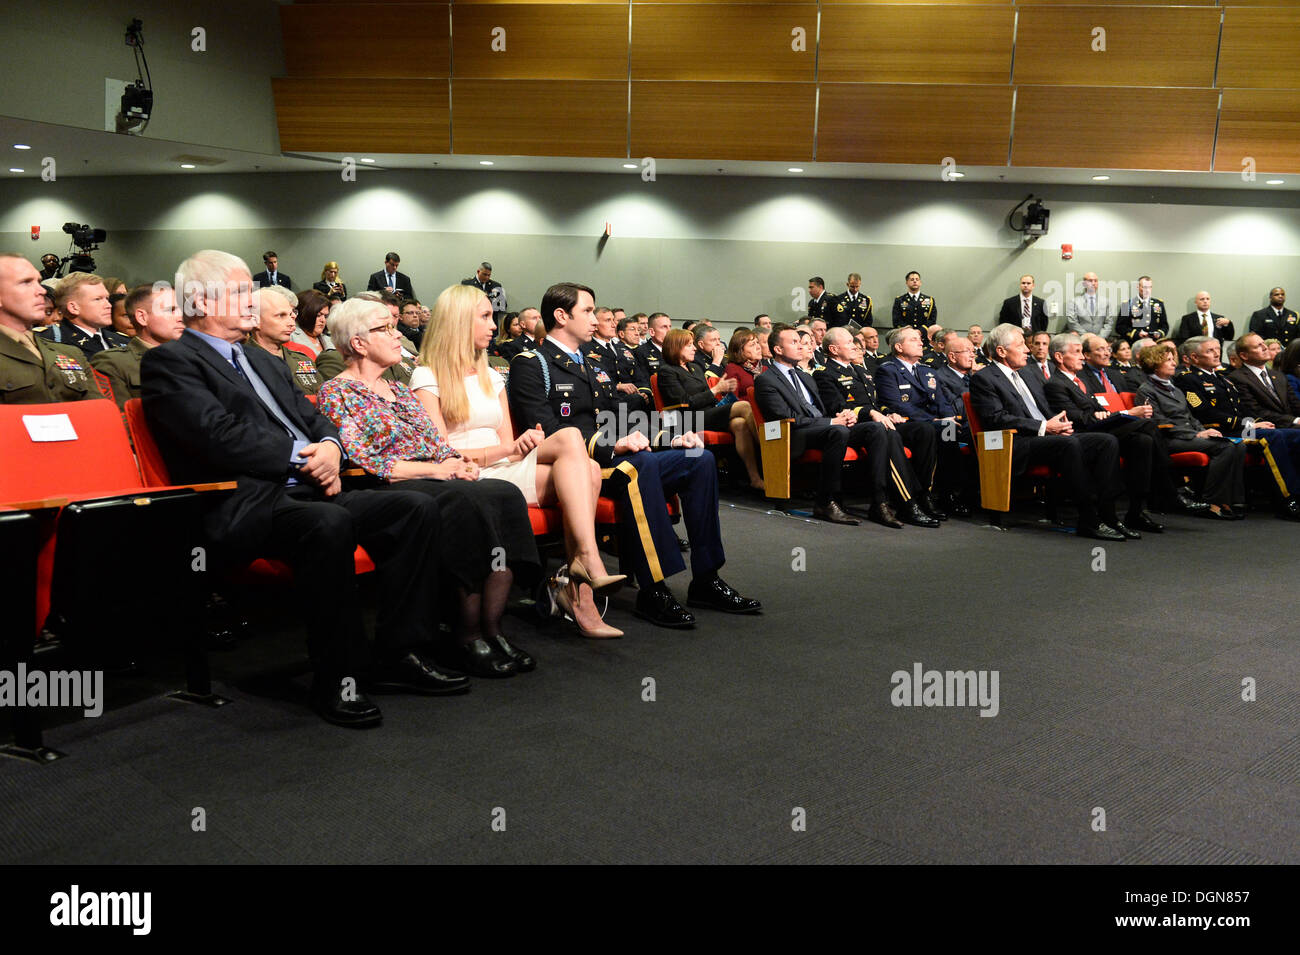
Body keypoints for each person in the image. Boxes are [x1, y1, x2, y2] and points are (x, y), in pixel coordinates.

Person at [141, 250, 470, 727]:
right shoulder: (171, 362)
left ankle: (398, 653)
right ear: (200, 301)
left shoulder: (261, 358)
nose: (250, 300)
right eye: (238, 291)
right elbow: (215, 436)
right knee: (328, 521)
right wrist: (303, 455)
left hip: (309, 489)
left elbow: (313, 417)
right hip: (244, 499)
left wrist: (332, 446)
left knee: (414, 508)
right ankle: (339, 677)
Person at [509, 282, 760, 628]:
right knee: (636, 466)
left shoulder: (593, 363)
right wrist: (613, 446)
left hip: (616, 453)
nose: (595, 320)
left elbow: (620, 418)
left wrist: (669, 439)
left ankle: (706, 578)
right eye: (586, 311)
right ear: (561, 316)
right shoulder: (532, 364)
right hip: (581, 466)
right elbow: (546, 432)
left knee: (698, 459)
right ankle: (654, 589)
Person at [317, 296, 541, 677]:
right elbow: (365, 459)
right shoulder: (337, 392)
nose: (397, 334)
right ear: (358, 343)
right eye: (385, 329)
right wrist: (438, 472)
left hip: (431, 479)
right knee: (462, 497)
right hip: (386, 488)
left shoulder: (400, 391)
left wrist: (457, 463)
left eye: (394, 326)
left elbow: (437, 444)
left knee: (501, 492)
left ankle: (493, 627)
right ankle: (466, 635)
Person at [411, 285, 626, 639]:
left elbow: (509, 443)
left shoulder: (491, 374)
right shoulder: (427, 376)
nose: (494, 325)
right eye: (484, 317)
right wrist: (509, 449)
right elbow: (441, 454)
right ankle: (583, 574)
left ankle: (581, 574)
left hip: (502, 465)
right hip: (466, 474)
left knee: (582, 458)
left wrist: (518, 446)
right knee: (578, 451)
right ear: (458, 322)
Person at [755, 325, 935, 529]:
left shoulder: (805, 377)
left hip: (824, 426)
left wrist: (844, 415)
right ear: (778, 350)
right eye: (794, 342)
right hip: (791, 434)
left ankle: (880, 501)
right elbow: (786, 418)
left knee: (876, 429)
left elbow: (823, 409)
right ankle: (827, 501)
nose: (802, 346)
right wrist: (832, 421)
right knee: (837, 430)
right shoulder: (766, 379)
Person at [969, 325, 1128, 540]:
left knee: (1106, 441)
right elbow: (995, 418)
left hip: (1047, 435)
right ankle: (1089, 521)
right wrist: (1044, 427)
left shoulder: (1027, 374)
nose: (1027, 350)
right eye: (1021, 345)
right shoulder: (984, 378)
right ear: (1001, 352)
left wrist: (1060, 423)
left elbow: (1045, 408)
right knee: (1068, 445)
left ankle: (1109, 516)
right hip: (1014, 441)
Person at [814, 327, 946, 520]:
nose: (856, 346)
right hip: (853, 426)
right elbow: (837, 406)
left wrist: (888, 413)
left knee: (924, 430)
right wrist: (873, 413)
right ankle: (903, 502)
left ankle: (923, 493)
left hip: (877, 421)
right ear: (834, 349)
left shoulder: (860, 370)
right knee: (884, 430)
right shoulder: (824, 373)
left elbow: (875, 403)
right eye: (850, 342)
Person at [1042, 333, 1168, 532]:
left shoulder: (1079, 380)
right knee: (1148, 426)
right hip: (1084, 433)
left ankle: (1136, 511)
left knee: (1142, 441)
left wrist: (1104, 415)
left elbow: (1095, 411)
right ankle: (1168, 487)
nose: (1082, 357)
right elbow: (1077, 418)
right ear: (1059, 357)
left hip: (1101, 427)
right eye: (1076, 353)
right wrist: (1123, 413)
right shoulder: (1055, 384)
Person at [1179, 335, 1300, 519]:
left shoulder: (1222, 379)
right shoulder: (1188, 380)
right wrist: (1250, 424)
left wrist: (1257, 420)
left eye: (1217, 349)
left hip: (1241, 427)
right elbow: (1205, 413)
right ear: (1195, 358)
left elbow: (1241, 408)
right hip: (1222, 430)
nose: (1217, 353)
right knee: (1273, 437)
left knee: (1293, 434)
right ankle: (1288, 498)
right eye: (1210, 350)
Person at [1138, 342, 1245, 519]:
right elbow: (1159, 422)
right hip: (1170, 439)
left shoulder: (1175, 389)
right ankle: (1211, 502)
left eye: (1173, 359)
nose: (1174, 363)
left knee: (1239, 446)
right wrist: (1196, 434)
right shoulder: (1147, 390)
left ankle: (1233, 499)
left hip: (1189, 435)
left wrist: (1206, 430)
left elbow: (1191, 417)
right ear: (1155, 364)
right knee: (1224, 447)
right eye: (1168, 360)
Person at [656, 329, 764, 492]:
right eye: (689, 345)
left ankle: (754, 478)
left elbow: (708, 397)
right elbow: (684, 402)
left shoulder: (695, 368)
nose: (694, 349)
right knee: (744, 406)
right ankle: (768, 451)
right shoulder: (667, 371)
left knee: (740, 424)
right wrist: (715, 390)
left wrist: (722, 389)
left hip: (709, 413)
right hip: (687, 418)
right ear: (676, 348)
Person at [0, 254, 105, 404]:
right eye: (26, 283)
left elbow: (98, 411)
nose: (41, 291)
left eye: (38, 282)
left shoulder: (71, 353)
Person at [91, 282, 186, 408]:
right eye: (171, 310)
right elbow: (121, 418)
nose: (182, 317)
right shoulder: (114, 363)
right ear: (142, 317)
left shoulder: (193, 359)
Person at [246, 286, 323, 395]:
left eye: (291, 315)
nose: (292, 324)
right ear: (255, 320)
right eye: (281, 316)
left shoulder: (302, 359)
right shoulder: (242, 361)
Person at [39, 272, 129, 358]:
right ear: (73, 308)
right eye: (98, 299)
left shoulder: (123, 341)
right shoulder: (48, 340)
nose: (108, 305)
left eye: (107, 298)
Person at [587, 305, 651, 414]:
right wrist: (618, 386)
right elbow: (591, 380)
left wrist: (643, 392)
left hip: (634, 398)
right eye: (608, 320)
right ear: (596, 325)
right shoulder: (587, 349)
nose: (613, 325)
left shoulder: (622, 349)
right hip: (608, 400)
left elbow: (639, 376)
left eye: (613, 320)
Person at [1228, 332, 1300, 427]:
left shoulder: (1278, 375)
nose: (1265, 348)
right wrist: (1295, 420)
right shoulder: (1237, 378)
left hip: (1291, 424)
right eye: (1258, 346)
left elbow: (1295, 403)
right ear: (1244, 356)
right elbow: (1256, 410)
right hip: (1269, 426)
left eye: (1263, 344)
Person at [1116, 276, 1169, 342]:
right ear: (1138, 287)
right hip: (1135, 342)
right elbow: (1120, 327)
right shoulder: (1126, 305)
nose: (1147, 290)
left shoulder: (1158, 304)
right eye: (1144, 287)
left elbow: (1164, 326)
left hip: (1154, 343)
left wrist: (1159, 333)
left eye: (1150, 287)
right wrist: (1136, 334)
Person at [1066, 272, 1114, 340]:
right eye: (1090, 281)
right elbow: (1072, 322)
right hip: (1081, 340)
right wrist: (1087, 336)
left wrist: (1099, 338)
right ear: (1084, 284)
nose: (1093, 283)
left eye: (1095, 281)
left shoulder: (1106, 302)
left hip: (1101, 340)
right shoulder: (1074, 302)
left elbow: (1109, 323)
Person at [288, 288, 333, 356]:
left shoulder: (330, 340)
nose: (323, 320)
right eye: (318, 315)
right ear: (305, 314)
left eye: (326, 316)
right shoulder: (290, 337)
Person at [723, 327, 765, 396]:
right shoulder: (732, 369)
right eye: (752, 345)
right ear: (740, 351)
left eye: (757, 343)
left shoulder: (764, 369)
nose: (758, 347)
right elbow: (732, 400)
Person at [634, 311, 671, 380]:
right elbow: (643, 381)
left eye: (669, 327)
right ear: (652, 332)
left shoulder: (675, 350)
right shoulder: (641, 352)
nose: (669, 331)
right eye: (664, 327)